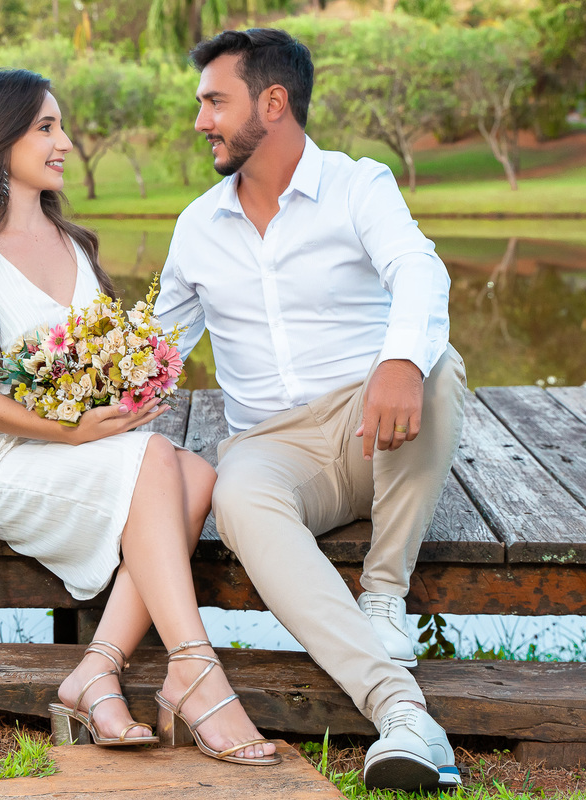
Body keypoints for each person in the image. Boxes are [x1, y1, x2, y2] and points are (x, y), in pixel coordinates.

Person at [0, 68, 279, 766]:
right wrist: (71, 429)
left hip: (81, 445)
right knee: (154, 460)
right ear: (0, 137)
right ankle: (197, 670)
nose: (65, 143)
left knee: (197, 471)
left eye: (61, 127)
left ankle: (96, 670)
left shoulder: (78, 246)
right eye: (47, 128)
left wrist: (130, 393)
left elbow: (97, 367)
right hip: (4, 458)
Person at [155, 29, 467, 791]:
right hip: (271, 446)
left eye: (214, 101)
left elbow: (418, 269)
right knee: (238, 492)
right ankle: (401, 713)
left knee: (435, 363)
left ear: (273, 101)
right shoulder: (198, 224)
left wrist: (398, 361)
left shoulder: (360, 185)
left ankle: (384, 597)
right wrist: (65, 402)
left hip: (376, 430)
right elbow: (156, 351)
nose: (202, 121)